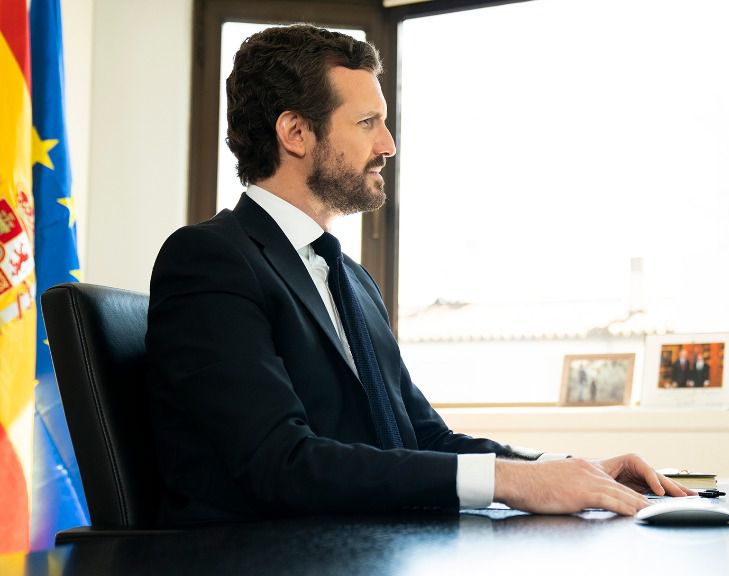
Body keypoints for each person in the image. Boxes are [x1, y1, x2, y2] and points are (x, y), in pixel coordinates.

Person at [146, 25, 689, 526]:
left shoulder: (350, 279)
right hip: (268, 555)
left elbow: (422, 435)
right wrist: (510, 482)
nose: (388, 144)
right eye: (367, 123)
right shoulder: (210, 259)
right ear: (295, 132)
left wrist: (566, 468)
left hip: (366, 541)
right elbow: (281, 462)